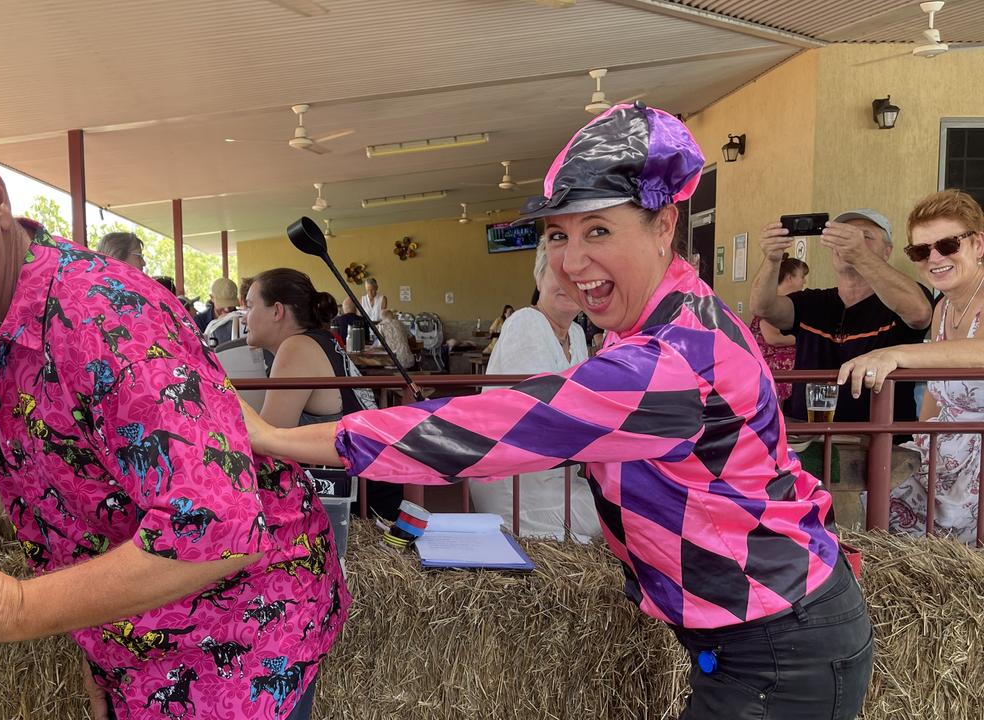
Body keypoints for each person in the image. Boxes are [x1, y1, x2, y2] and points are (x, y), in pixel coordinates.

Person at [242, 103, 872, 720]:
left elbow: (482, 430)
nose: (572, 263)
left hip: (777, 645)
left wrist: (273, 438)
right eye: (558, 235)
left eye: (598, 230)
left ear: (663, 226)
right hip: (763, 631)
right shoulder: (662, 318)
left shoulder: (670, 359)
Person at [0, 114, 346, 720]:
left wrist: (17, 608)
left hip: (239, 647)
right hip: (135, 646)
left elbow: (218, 532)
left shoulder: (105, 317)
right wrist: (100, 647)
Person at [838, 189, 984, 544]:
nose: (934, 258)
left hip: (977, 463)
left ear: (978, 245)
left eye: (948, 245)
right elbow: (935, 395)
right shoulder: (943, 309)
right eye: (921, 251)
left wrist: (896, 353)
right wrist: (920, 436)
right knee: (874, 493)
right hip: (945, 451)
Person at [244, 268, 402, 520]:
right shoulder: (321, 339)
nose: (244, 318)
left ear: (277, 311)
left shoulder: (296, 347)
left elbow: (266, 443)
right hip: (377, 489)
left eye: (250, 306)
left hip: (360, 507)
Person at [752, 208, 932, 423]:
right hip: (810, 440)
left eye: (865, 237)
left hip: (882, 444)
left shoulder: (903, 298)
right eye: (843, 236)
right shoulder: (812, 301)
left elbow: (919, 314)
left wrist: (860, 255)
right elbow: (762, 307)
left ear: (887, 251)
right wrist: (772, 259)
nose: (851, 243)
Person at [473, 247, 599, 540]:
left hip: (553, 477)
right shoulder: (525, 323)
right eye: (559, 273)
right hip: (514, 482)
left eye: (578, 276)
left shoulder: (577, 334)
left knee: (628, 503)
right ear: (539, 278)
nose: (569, 282)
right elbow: (542, 412)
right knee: (617, 514)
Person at [749, 256, 809, 405]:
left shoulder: (783, 301)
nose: (804, 282)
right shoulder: (776, 304)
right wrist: (807, 338)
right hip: (777, 372)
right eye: (802, 277)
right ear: (789, 277)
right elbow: (772, 338)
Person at [198, 277, 243, 347]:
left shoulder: (242, 319)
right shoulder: (200, 321)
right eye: (222, 304)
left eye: (231, 305)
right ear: (212, 298)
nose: (227, 309)